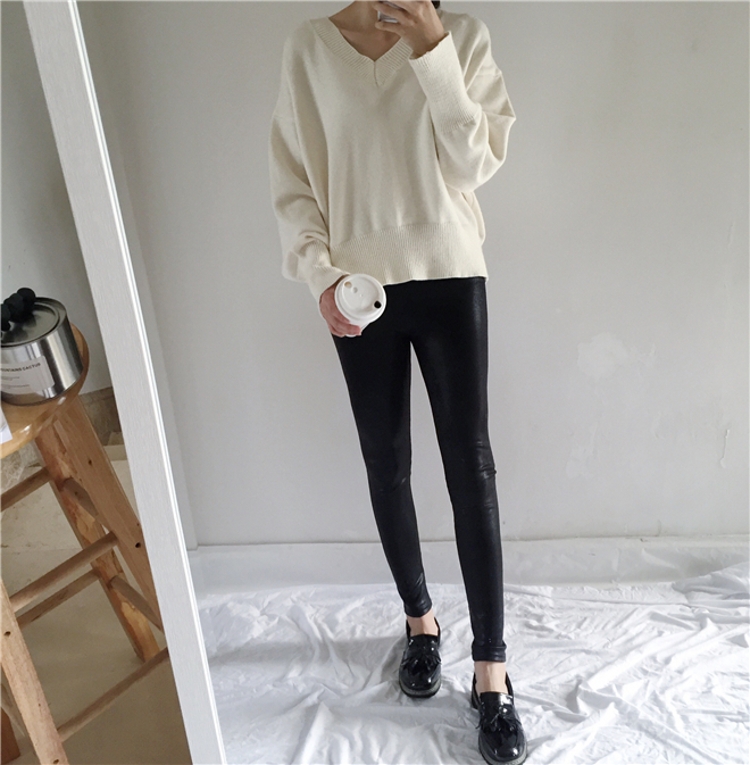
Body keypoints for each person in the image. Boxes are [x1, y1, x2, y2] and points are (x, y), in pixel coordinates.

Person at [268, 1, 525, 762]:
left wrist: (432, 48)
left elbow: (475, 164)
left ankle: (491, 669)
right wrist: (318, 274)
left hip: (449, 274)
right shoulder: (310, 49)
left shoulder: (461, 38)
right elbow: (293, 180)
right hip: (358, 289)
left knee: (470, 467)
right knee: (386, 461)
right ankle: (420, 623)